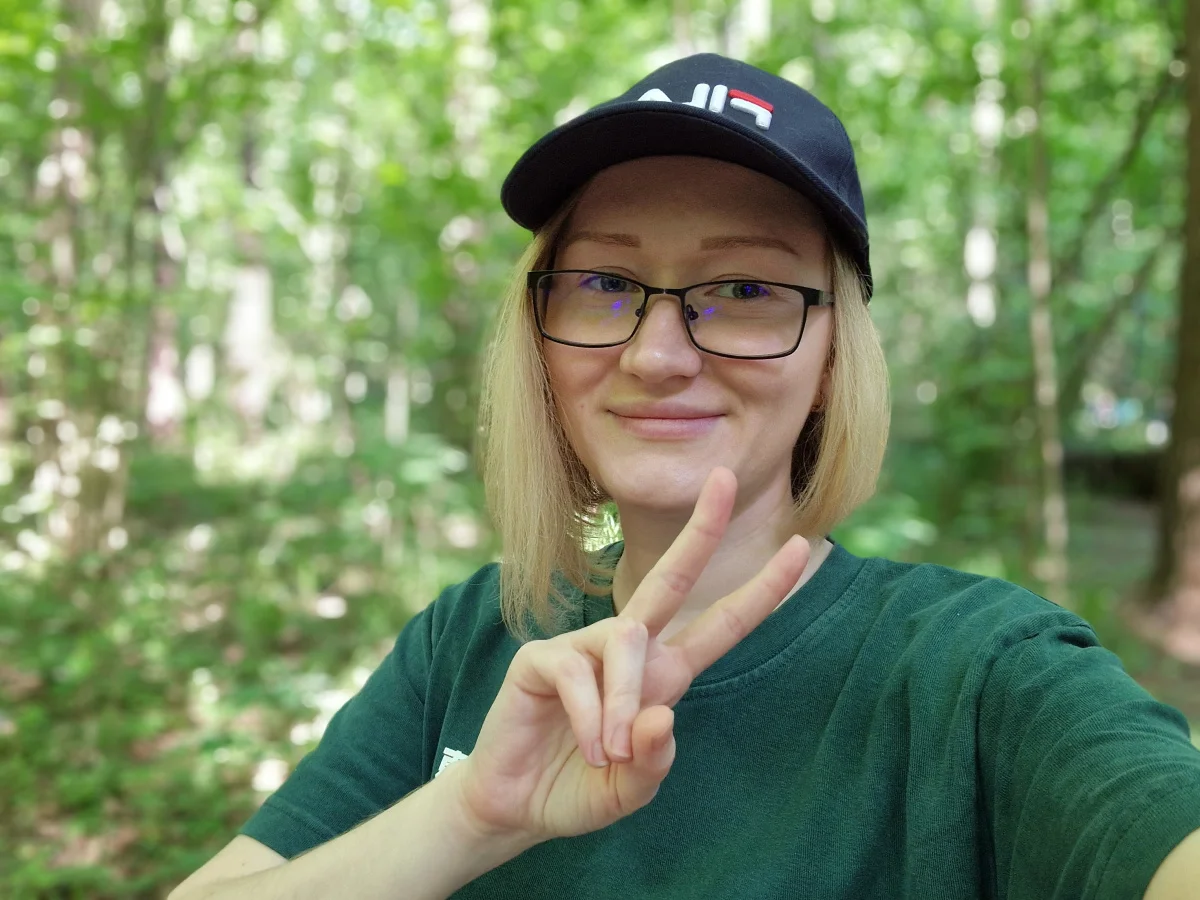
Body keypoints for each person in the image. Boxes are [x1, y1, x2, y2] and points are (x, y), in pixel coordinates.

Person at [168, 54, 1200, 900]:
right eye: (605, 282)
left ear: (831, 357)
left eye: (744, 288)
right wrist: (468, 817)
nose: (656, 354)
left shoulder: (978, 674)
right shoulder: (470, 640)